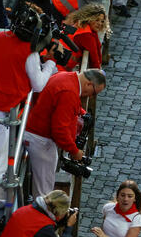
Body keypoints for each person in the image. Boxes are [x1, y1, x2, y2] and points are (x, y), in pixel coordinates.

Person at [0, 17, 57, 216]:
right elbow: (39, 84)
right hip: (1, 110)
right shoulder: (29, 53)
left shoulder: (0, 37)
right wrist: (50, 64)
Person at [24, 69, 106, 198]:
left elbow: (60, 102)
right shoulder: (70, 92)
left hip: (36, 131)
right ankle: (42, 215)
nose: (91, 96)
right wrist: (74, 151)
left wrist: (81, 111)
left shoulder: (66, 77)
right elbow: (60, 130)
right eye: (94, 93)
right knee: (44, 191)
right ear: (89, 84)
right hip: (40, 139)